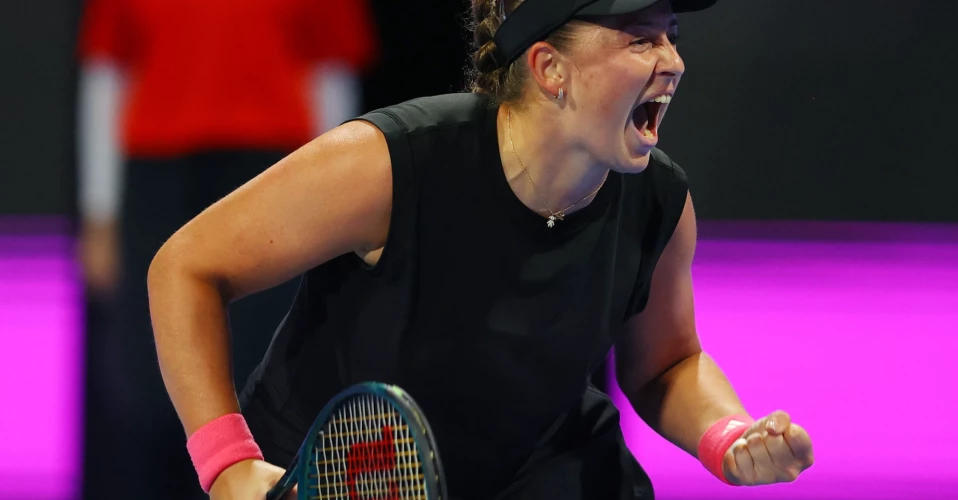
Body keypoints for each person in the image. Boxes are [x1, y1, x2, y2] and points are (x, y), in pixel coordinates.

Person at [147, 0, 815, 498]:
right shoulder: (391, 165)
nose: (673, 61)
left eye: (671, 37)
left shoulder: (659, 200)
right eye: (640, 39)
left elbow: (666, 363)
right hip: (332, 477)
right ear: (550, 69)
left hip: (539, 475)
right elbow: (186, 267)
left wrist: (730, 436)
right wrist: (228, 465)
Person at [75, 0, 378, 497]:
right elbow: (106, 72)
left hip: (274, 166)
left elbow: (331, 69)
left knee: (266, 374)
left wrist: (335, 206)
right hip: (158, 175)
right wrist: (100, 213)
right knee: (149, 380)